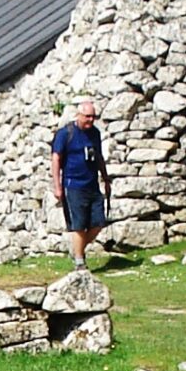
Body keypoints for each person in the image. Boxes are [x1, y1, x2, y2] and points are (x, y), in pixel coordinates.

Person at [48, 98, 111, 265]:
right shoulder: (65, 134)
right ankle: (79, 261)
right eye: (87, 116)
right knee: (79, 225)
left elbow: (98, 156)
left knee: (98, 222)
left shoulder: (95, 133)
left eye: (93, 117)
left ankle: (77, 249)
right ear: (78, 115)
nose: (90, 120)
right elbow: (56, 159)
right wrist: (57, 186)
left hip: (92, 185)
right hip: (73, 186)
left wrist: (105, 178)